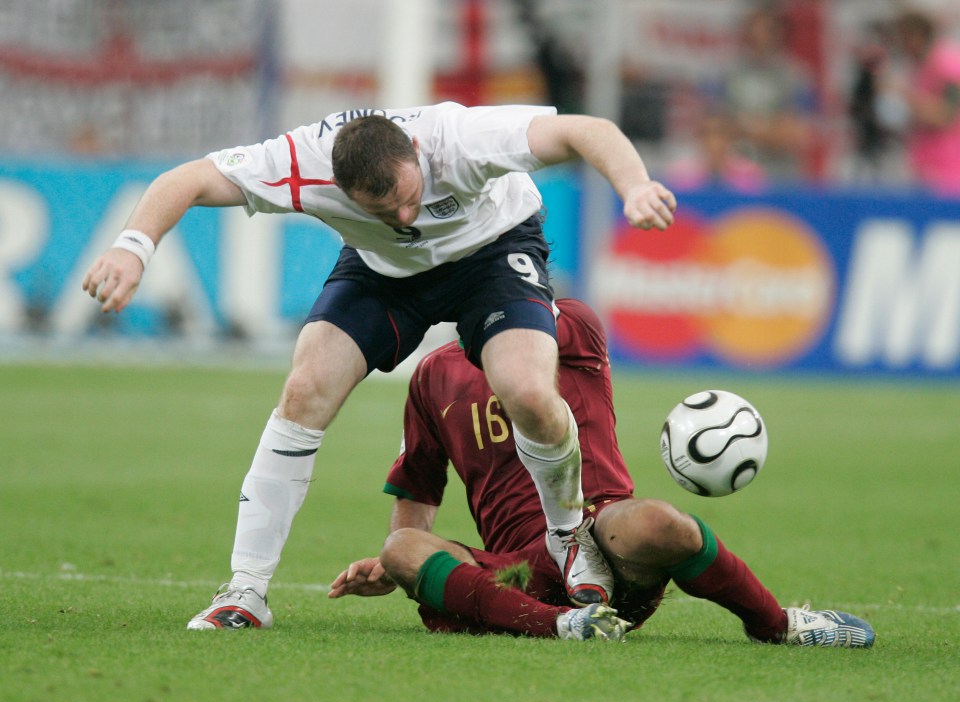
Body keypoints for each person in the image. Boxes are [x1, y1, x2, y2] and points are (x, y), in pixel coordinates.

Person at [80, 102, 678, 629]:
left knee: (524, 389)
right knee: (305, 388)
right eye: (383, 209)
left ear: (417, 154)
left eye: (410, 198)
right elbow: (188, 177)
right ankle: (246, 589)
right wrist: (134, 247)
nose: (406, 218)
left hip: (492, 254)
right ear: (341, 189)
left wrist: (634, 186)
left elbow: (587, 129)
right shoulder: (302, 161)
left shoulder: (461, 137)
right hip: (385, 275)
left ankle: (568, 535)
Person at [328, 299, 876, 646]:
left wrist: (511, 299)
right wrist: (396, 567)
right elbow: (418, 485)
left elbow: (526, 322)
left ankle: (778, 625)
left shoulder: (573, 327)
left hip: (606, 546)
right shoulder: (432, 375)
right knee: (402, 547)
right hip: (518, 573)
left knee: (665, 523)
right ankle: (563, 626)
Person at [709, 3, 816, 181]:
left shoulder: (795, 77)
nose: (759, 38)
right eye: (754, 31)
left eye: (767, 31)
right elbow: (715, 127)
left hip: (782, 173)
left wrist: (743, 128)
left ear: (779, 34)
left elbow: (797, 133)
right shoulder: (727, 74)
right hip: (734, 173)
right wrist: (766, 129)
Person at [890, 8, 960, 196]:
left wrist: (903, 95)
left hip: (948, 172)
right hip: (925, 167)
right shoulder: (919, 66)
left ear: (917, 36)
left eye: (904, 38)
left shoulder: (946, 64)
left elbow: (946, 115)